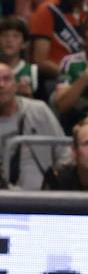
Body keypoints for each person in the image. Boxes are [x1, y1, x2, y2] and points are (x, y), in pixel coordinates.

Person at [0, 59, 65, 189]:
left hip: (43, 198)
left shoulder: (38, 110)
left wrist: (55, 184)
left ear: (16, 85)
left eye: (6, 79)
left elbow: (64, 154)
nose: (1, 85)